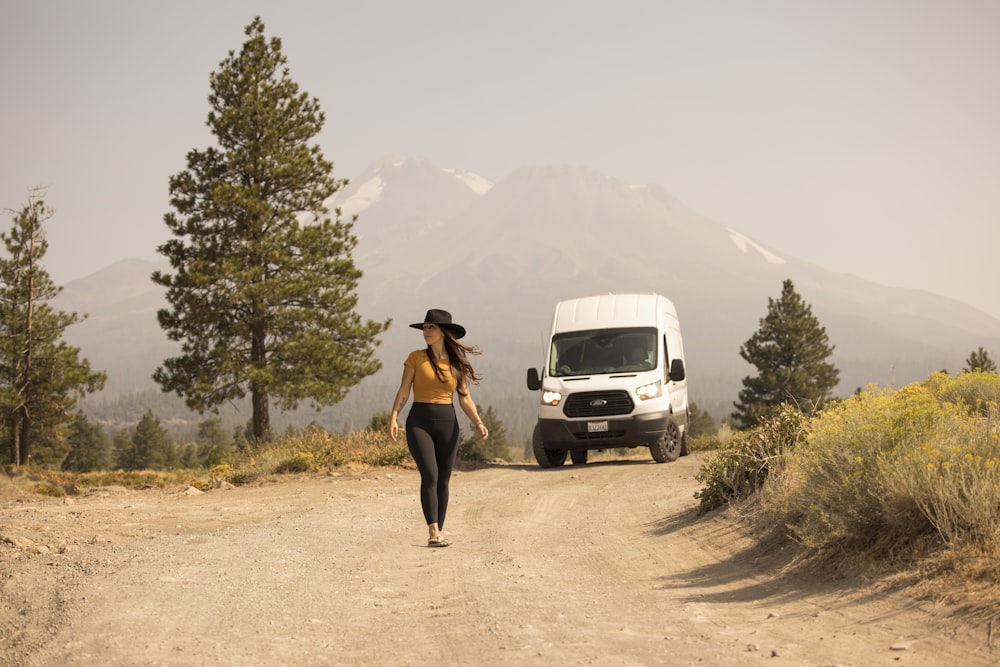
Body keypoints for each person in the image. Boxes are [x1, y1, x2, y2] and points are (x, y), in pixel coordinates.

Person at [389, 309, 488, 547]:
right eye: (424, 328)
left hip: (448, 423)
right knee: (430, 475)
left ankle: (439, 530)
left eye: (430, 328)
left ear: (443, 332)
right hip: (418, 421)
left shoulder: (456, 364)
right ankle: (433, 532)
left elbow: (464, 397)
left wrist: (478, 422)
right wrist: (393, 416)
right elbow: (404, 391)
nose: (425, 332)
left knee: (443, 480)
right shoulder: (415, 358)